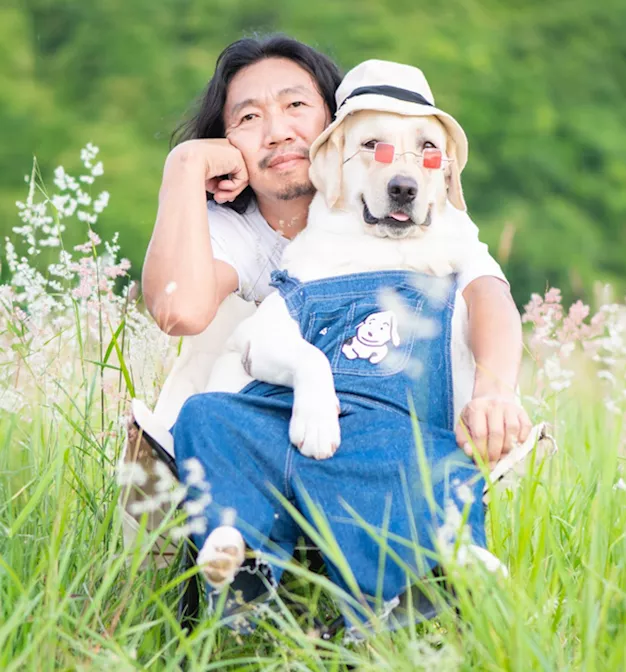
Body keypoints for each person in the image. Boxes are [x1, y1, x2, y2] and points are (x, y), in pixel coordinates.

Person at [140, 34, 531, 463]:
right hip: (269, 423)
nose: (276, 133)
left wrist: (495, 393)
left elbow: (488, 290)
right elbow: (180, 310)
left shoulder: (416, 211)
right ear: (227, 139)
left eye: (296, 106)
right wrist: (184, 165)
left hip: (400, 425)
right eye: (249, 117)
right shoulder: (244, 229)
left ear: (334, 124)